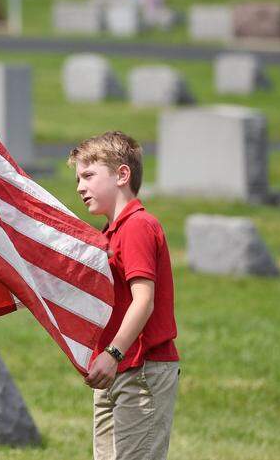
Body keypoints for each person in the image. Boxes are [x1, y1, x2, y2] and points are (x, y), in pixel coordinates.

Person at [69, 131, 180, 460]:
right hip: (116, 370)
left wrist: (113, 353)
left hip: (140, 369)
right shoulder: (110, 232)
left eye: (88, 175)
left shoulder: (137, 226)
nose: (79, 187)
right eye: (78, 178)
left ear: (122, 175)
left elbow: (143, 301)